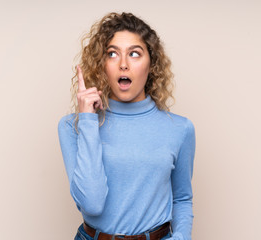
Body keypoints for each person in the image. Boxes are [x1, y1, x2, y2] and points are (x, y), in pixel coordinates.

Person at [58, 12, 196, 240]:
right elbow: (92, 204)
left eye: (134, 54)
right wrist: (88, 121)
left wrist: (180, 237)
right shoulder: (72, 126)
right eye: (112, 54)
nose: (123, 64)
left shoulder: (180, 129)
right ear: (102, 64)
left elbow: (181, 198)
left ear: (151, 64)